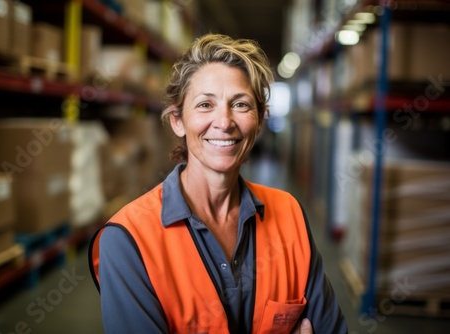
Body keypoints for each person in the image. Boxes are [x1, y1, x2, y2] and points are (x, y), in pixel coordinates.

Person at [89, 33, 348, 334]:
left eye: (240, 104)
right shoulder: (128, 240)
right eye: (204, 105)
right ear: (178, 120)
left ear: (260, 120)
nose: (224, 122)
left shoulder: (289, 215)